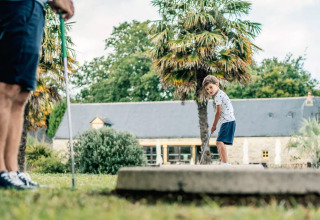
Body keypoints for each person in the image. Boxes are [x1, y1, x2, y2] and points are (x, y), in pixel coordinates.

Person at [0, 0, 74, 190]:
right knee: (7, 88)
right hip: (15, 5)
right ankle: (1, 171)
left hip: (35, 8)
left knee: (21, 94)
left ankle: (12, 171)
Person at [202, 75, 236, 165]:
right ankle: (223, 162)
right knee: (219, 142)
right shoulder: (220, 94)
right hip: (228, 121)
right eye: (207, 89)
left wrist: (214, 126)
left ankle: (225, 163)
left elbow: (218, 112)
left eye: (210, 87)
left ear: (217, 84)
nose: (209, 90)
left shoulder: (218, 96)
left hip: (227, 121)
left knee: (220, 142)